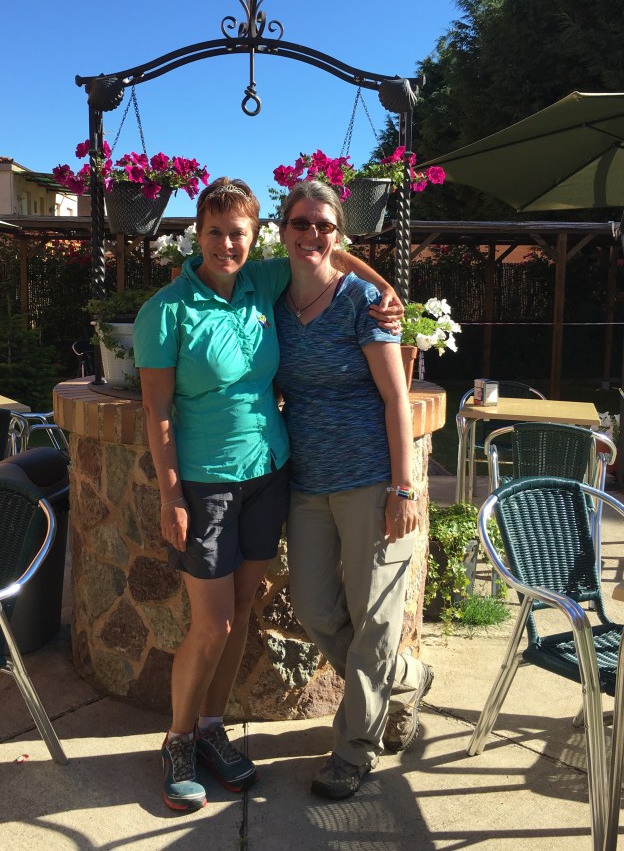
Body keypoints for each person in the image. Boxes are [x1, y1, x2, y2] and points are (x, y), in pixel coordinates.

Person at [133, 176, 401, 813]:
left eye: (238, 234)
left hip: (271, 474)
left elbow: (329, 252)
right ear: (197, 235)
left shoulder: (262, 282)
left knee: (242, 610)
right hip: (206, 483)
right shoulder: (165, 310)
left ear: (256, 238)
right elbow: (156, 411)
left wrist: (386, 289)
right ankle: (177, 740)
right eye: (215, 233)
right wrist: (172, 496)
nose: (227, 245)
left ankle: (212, 728)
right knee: (214, 622)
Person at [274, 180, 433, 801]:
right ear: (282, 231)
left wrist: (403, 487)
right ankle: (407, 676)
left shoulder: (363, 302)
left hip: (370, 480)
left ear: (339, 234)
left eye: (324, 225)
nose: (311, 235)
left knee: (376, 618)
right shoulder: (273, 296)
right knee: (315, 608)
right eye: (301, 223)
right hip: (307, 482)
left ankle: (354, 749)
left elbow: (396, 399)